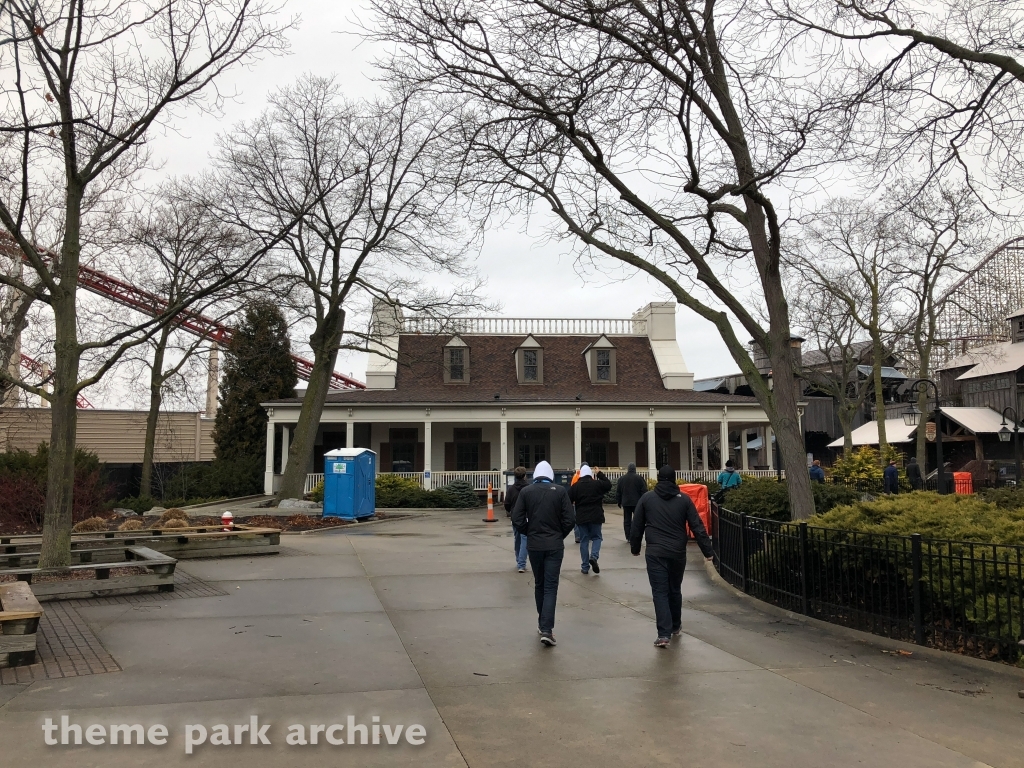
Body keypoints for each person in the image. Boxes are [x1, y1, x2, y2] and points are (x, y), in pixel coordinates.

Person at [630, 465, 715, 648]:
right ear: (675, 479)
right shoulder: (683, 500)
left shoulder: (647, 499)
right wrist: (708, 552)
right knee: (674, 589)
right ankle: (675, 626)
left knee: (660, 592)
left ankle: (663, 634)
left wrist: (635, 548)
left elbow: (636, 526)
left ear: (659, 479)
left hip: (655, 552)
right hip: (677, 551)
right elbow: (697, 526)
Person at [511, 460, 575, 646]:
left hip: (534, 545)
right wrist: (559, 535)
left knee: (539, 584)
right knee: (550, 586)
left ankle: (542, 623)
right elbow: (570, 519)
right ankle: (547, 629)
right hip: (554, 545)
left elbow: (517, 517)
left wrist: (528, 531)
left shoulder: (526, 492)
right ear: (550, 476)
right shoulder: (560, 492)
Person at [568, 464, 612, 575]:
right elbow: (608, 485)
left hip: (581, 516)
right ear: (590, 474)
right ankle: (594, 556)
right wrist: (600, 474)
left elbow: (568, 500)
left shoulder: (576, 486)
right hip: (596, 515)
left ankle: (585, 567)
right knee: (597, 537)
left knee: (584, 541)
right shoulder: (597, 484)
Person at [503, 466, 529, 572]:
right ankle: (522, 564)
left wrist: (511, 512)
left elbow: (507, 504)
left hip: (515, 517)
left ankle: (519, 560)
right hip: (526, 517)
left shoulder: (511, 489)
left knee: (517, 538)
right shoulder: (528, 488)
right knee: (525, 539)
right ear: (524, 476)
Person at [616, 463, 648, 542]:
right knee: (637, 520)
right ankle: (636, 535)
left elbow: (618, 492)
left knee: (627, 520)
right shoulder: (639, 478)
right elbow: (644, 491)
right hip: (637, 503)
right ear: (635, 469)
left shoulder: (622, 479)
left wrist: (619, 502)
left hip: (626, 502)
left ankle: (628, 537)